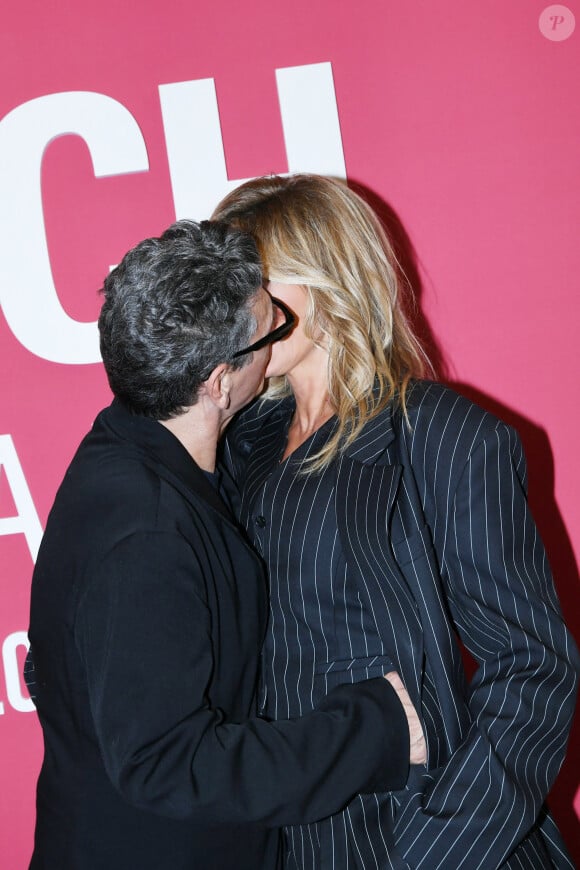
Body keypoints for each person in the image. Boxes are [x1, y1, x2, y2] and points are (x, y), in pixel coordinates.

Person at [24, 219, 427, 870]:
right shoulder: (146, 532)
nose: (280, 340)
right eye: (272, 327)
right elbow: (170, 767)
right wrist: (377, 728)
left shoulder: (127, 448)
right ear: (218, 381)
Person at [213, 174, 580, 869]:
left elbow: (531, 666)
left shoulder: (441, 434)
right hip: (290, 838)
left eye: (253, 282)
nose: (234, 311)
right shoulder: (240, 449)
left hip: (423, 830)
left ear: (324, 280)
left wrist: (440, 847)